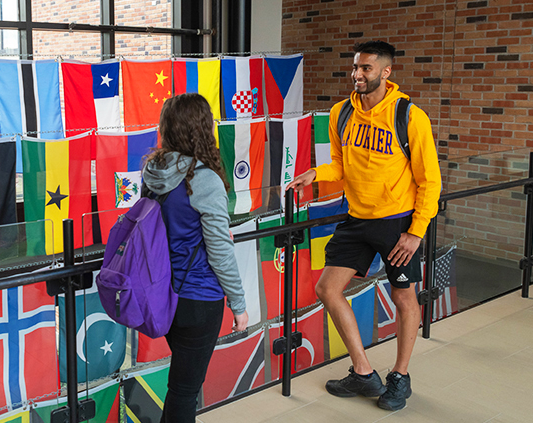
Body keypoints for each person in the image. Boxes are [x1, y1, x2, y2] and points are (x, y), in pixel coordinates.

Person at [286, 40, 441, 411]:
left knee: (404, 298)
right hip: (357, 219)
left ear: (386, 72)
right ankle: (363, 371)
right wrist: (315, 174)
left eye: (366, 68)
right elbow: (340, 167)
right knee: (327, 288)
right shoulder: (342, 113)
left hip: (396, 222)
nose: (357, 74)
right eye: (356, 67)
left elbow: (430, 181)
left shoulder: (409, 116)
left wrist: (415, 231)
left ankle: (400, 377)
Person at [141, 93, 250, 422]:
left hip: (163, 295)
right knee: (184, 392)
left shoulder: (154, 171)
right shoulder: (203, 179)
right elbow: (219, 251)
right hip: (199, 298)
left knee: (181, 387)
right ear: (204, 129)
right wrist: (240, 304)